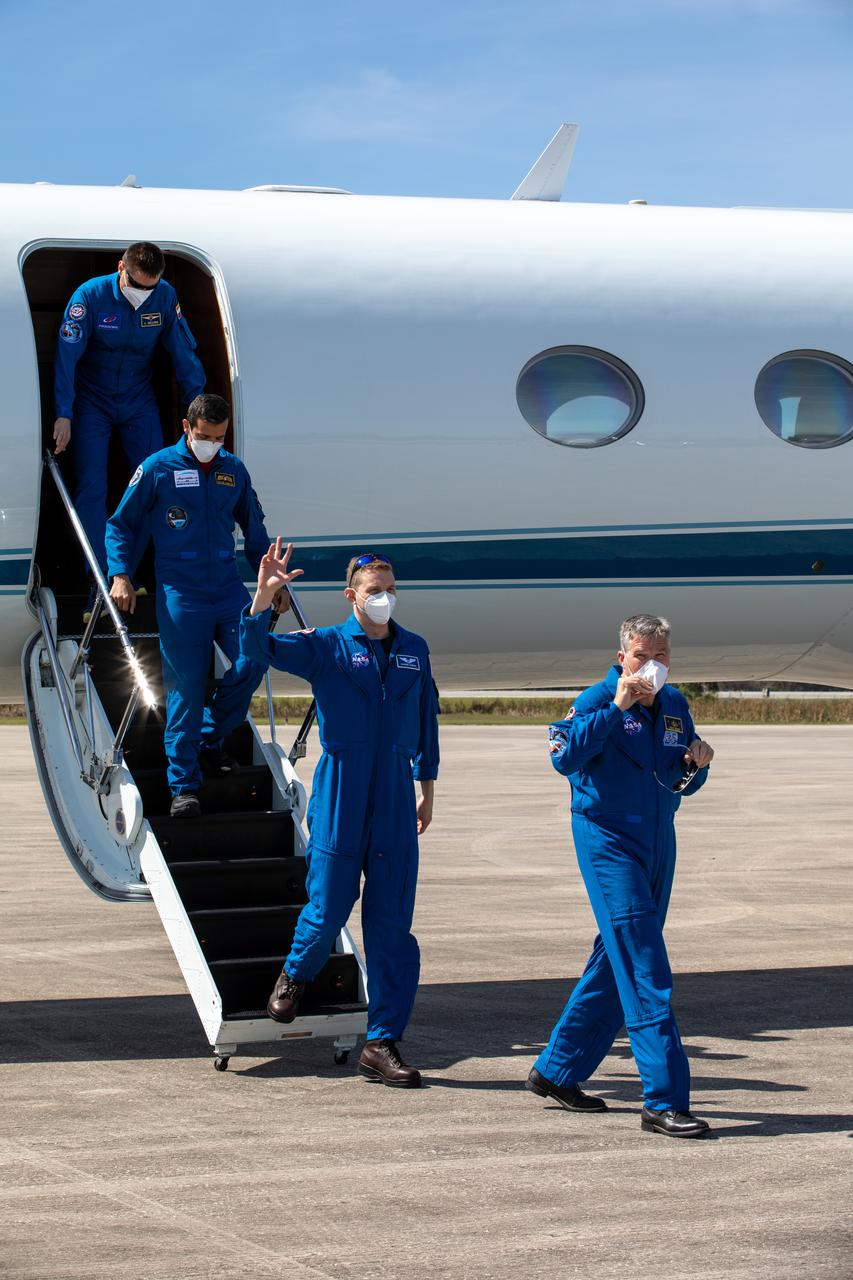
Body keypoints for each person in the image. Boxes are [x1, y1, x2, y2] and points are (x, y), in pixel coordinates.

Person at [240, 545, 439, 1088]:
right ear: (352, 596)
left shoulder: (414, 650)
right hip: (342, 784)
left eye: (390, 588)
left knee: (392, 923)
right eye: (374, 591)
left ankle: (382, 1042)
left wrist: (427, 787)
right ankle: (296, 974)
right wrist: (262, 599)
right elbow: (259, 650)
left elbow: (426, 720)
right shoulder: (327, 645)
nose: (385, 598)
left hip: (396, 792)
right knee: (329, 902)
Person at [528, 614, 715, 1138]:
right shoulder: (594, 700)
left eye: (661, 657)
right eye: (641, 655)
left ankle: (556, 1070)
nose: (651, 666)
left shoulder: (675, 704)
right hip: (608, 839)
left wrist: (697, 764)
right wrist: (618, 707)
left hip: (658, 839)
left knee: (617, 957)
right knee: (643, 964)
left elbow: (676, 780)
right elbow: (564, 758)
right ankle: (664, 1098)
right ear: (621, 657)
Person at [105, 393, 273, 819]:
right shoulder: (158, 468)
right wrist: (121, 574)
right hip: (182, 593)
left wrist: (270, 580)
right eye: (204, 436)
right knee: (187, 688)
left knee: (253, 660)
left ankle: (208, 740)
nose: (212, 444)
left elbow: (255, 533)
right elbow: (120, 525)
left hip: (228, 588)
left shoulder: (233, 470)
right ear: (186, 427)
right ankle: (183, 787)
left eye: (219, 438)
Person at [53, 241, 206, 578]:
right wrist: (64, 412)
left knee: (153, 484)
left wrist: (198, 413)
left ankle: (125, 574)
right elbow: (67, 357)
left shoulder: (164, 296)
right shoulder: (90, 296)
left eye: (149, 287)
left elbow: (183, 354)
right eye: (137, 285)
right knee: (92, 487)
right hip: (92, 400)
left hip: (138, 400)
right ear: (121, 268)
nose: (143, 294)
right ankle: (99, 576)